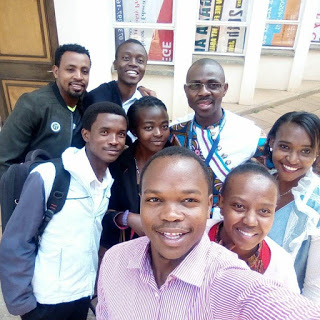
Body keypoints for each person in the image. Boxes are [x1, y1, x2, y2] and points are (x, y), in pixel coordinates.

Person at [96, 146, 320, 320]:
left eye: (189, 200)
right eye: (155, 199)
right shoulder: (115, 260)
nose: (171, 215)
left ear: (209, 205)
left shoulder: (228, 278)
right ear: (141, 201)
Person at [0, 102, 128, 320]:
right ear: (86, 134)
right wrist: (22, 303)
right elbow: (16, 241)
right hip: (46, 301)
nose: (114, 141)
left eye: (121, 134)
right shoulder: (49, 175)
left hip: (82, 295)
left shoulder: (107, 182)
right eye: (104, 132)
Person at [170, 58, 265, 206]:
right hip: (187, 217)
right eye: (195, 86)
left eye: (213, 85)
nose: (203, 92)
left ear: (224, 89)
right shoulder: (175, 131)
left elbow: (273, 177)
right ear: (186, 90)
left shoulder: (250, 134)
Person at [0, 43, 91, 179]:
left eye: (84, 71)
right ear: (56, 71)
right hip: (36, 189)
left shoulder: (88, 104)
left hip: (75, 190)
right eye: (70, 70)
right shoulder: (33, 104)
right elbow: (4, 159)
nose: (78, 76)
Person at [207, 161, 299, 293]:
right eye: (239, 206)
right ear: (222, 203)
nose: (250, 222)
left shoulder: (281, 266)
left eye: (264, 211)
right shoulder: (195, 239)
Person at [100, 96, 170, 249]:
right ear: (134, 131)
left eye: (164, 126)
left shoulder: (178, 162)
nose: (158, 133)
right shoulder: (119, 163)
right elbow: (102, 210)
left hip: (168, 247)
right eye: (149, 128)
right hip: (126, 249)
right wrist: (127, 218)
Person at [265, 111, 320, 302]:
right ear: (272, 142)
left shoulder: (315, 205)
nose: (293, 159)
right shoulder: (258, 183)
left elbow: (315, 288)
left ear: (317, 152)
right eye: (285, 147)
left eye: (305, 151)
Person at [83, 39, 155, 113]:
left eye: (140, 60)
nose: (133, 64)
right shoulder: (96, 98)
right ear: (115, 64)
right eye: (126, 58)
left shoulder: (146, 102)